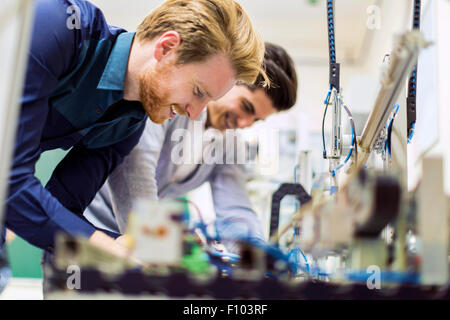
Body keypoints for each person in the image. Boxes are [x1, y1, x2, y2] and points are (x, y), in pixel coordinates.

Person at [2, 0, 267, 258]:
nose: (195, 112)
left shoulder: (128, 123)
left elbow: (65, 206)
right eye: (198, 91)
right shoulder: (58, 25)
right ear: (166, 48)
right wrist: (112, 248)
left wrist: (148, 250)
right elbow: (10, 182)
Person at [84, 43, 298, 252]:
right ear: (230, 81)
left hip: (137, 244)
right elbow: (137, 170)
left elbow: (235, 209)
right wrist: (158, 245)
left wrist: (257, 258)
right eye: (246, 107)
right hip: (90, 230)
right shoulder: (174, 104)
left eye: (256, 120)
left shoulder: (229, 144)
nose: (244, 124)